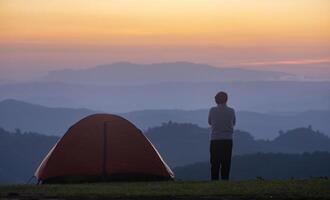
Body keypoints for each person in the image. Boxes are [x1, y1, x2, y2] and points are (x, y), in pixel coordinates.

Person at [208, 91, 236, 180]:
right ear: (226, 100)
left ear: (216, 100)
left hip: (215, 139)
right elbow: (234, 123)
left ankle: (214, 180)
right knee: (226, 162)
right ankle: (225, 180)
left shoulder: (212, 110)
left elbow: (209, 122)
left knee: (215, 163)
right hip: (227, 139)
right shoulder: (231, 111)